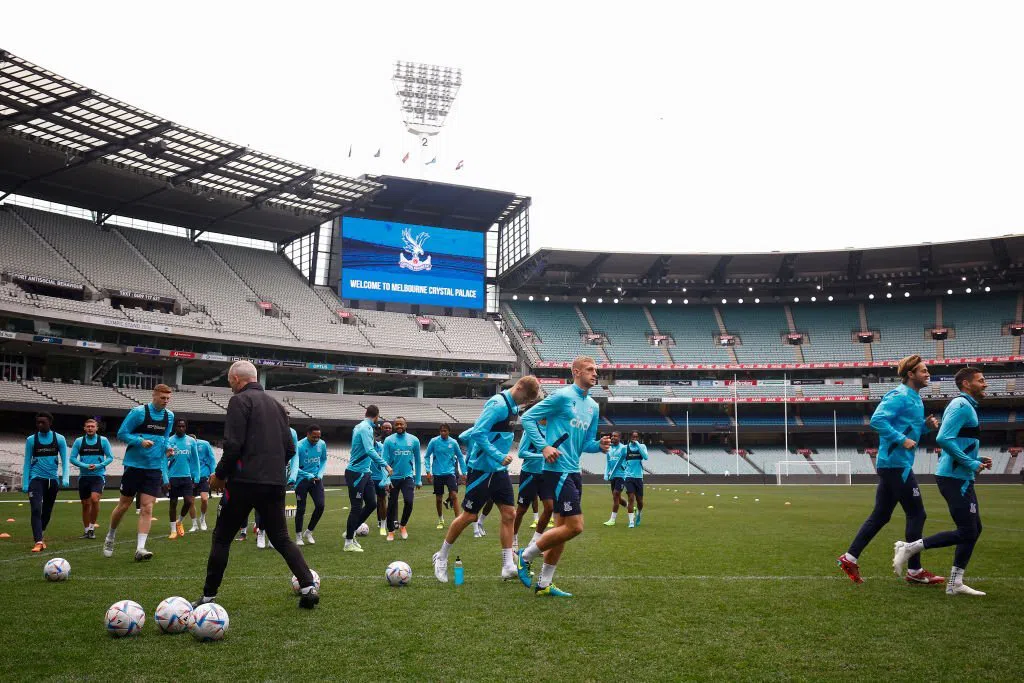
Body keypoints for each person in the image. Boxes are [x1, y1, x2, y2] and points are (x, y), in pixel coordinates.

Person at [193, 361, 318, 609]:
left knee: (221, 538)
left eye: (230, 382)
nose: (230, 387)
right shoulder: (278, 407)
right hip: (274, 483)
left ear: (238, 379)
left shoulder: (239, 401)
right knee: (281, 537)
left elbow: (233, 445)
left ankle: (208, 597)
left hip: (243, 483)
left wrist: (219, 475)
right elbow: (291, 449)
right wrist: (271, 468)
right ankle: (308, 587)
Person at [837, 355, 944, 585]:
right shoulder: (899, 395)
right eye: (923, 371)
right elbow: (877, 420)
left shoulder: (915, 398)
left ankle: (849, 557)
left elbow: (910, 431)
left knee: (881, 515)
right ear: (910, 374)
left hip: (897, 464)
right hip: (896, 465)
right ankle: (915, 571)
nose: (928, 374)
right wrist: (901, 438)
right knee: (917, 513)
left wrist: (925, 428)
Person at [432, 376, 542, 582]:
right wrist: (499, 456)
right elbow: (479, 434)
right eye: (525, 398)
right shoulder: (498, 404)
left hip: (498, 471)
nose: (524, 403)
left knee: (509, 513)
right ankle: (441, 556)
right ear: (518, 387)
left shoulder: (513, 408)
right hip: (483, 468)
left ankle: (508, 565)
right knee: (469, 516)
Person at [516, 356, 610, 597]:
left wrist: (598, 445)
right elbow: (527, 418)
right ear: (576, 371)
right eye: (590, 369)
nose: (595, 373)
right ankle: (524, 556)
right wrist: (544, 447)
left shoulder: (593, 407)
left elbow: (586, 443)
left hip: (574, 471)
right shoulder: (562, 396)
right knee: (575, 526)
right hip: (557, 472)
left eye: (596, 370)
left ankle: (544, 584)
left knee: (561, 530)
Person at [893, 367, 992, 596]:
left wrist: (974, 459)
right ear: (966, 384)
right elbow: (943, 438)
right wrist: (970, 462)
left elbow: (955, 441)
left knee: (974, 528)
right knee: (968, 530)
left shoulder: (967, 406)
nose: (985, 384)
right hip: (954, 477)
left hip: (961, 476)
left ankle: (955, 582)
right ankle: (909, 548)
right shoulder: (961, 405)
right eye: (981, 380)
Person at [104, 385, 175, 561]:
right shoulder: (138, 412)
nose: (165, 401)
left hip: (154, 468)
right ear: (154, 396)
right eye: (162, 398)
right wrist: (140, 441)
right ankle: (110, 536)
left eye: (168, 399)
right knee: (124, 505)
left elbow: (165, 438)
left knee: (147, 507)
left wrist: (168, 448)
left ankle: (140, 548)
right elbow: (122, 434)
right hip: (134, 465)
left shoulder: (169, 416)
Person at [343, 405, 392, 552]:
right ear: (377, 416)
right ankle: (348, 542)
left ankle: (351, 531)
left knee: (371, 504)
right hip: (356, 473)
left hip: (365, 472)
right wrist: (386, 465)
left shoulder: (363, 427)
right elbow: (369, 450)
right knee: (356, 507)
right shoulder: (364, 428)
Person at [22, 412, 69, 552]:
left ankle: (41, 534)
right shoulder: (31, 440)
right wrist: (25, 482)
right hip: (36, 479)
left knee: (47, 511)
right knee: (36, 509)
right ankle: (38, 541)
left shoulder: (59, 439)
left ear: (50, 423)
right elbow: (27, 462)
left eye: (43, 422)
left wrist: (65, 477)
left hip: (52, 481)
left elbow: (65, 460)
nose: (40, 425)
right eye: (38, 423)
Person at [69, 418, 113, 539]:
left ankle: (92, 528)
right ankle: (86, 530)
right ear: (84, 428)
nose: (90, 428)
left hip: (98, 476)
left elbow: (110, 457)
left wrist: (99, 466)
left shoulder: (103, 441)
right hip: (84, 477)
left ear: (97, 428)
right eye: (88, 426)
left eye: (92, 426)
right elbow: (72, 458)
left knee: (94, 499)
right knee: (85, 504)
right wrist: (85, 466)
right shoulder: (79, 441)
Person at [383, 417, 422, 541]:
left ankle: (403, 525)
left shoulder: (414, 440)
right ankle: (390, 531)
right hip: (393, 478)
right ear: (394, 426)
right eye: (397, 424)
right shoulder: (389, 440)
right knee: (392, 505)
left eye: (401, 424)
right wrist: (386, 480)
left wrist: (418, 479)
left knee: (409, 501)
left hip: (407, 477)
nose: (399, 426)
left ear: (406, 425)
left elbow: (417, 461)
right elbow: (384, 461)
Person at [290, 425, 327, 547]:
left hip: (316, 480)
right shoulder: (299, 446)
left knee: (320, 505)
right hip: (301, 480)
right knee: (301, 509)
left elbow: (323, 460)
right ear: (308, 434)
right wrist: (307, 475)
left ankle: (309, 532)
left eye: (318, 437)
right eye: (314, 437)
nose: (316, 439)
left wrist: (320, 474)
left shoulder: (322, 444)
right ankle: (298, 535)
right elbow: (293, 466)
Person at [424, 423, 466, 529]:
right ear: (439, 431)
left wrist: (464, 472)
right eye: (441, 431)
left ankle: (457, 521)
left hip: (450, 473)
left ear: (449, 432)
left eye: (445, 431)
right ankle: (440, 519)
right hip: (437, 474)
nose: (443, 433)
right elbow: (427, 456)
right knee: (439, 498)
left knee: (454, 495)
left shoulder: (453, 442)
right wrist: (428, 471)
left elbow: (460, 457)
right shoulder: (434, 441)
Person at [514, 431, 551, 551]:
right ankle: (513, 540)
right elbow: (521, 453)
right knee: (521, 510)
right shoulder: (531, 429)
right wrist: (543, 455)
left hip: (547, 473)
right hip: (529, 474)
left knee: (550, 508)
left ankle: (535, 543)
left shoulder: (553, 427)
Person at [165, 419, 200, 540]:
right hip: (172, 477)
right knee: (173, 503)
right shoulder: (169, 441)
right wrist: (165, 478)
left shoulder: (191, 441)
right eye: (179, 426)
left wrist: (197, 476)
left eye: (183, 426)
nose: (181, 428)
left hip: (186, 477)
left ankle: (179, 521)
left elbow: (196, 461)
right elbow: (164, 460)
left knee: (189, 501)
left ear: (186, 428)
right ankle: (173, 530)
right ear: (175, 427)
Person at [615, 431, 648, 528]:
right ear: (630, 437)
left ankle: (639, 513)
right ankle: (631, 521)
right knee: (630, 498)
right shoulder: (625, 448)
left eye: (636, 437)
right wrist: (623, 468)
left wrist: (638, 444)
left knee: (640, 501)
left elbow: (645, 457)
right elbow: (620, 461)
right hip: (629, 477)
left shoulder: (642, 446)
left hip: (639, 477)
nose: (635, 438)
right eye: (633, 437)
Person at [188, 433, 217, 532]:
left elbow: (212, 458)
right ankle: (194, 524)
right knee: (190, 501)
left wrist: (213, 472)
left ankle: (203, 519)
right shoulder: (185, 445)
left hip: (203, 475)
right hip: (190, 477)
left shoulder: (204, 444)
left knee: (204, 499)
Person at [372, 421, 393, 536]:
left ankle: (385, 523)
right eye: (385, 427)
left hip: (383, 476)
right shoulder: (369, 445)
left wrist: (387, 478)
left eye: (389, 427)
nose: (387, 429)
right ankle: (379, 521)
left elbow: (387, 461)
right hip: (369, 477)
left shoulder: (383, 446)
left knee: (384, 500)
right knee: (370, 502)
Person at [602, 431, 628, 526]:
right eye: (612, 436)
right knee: (617, 497)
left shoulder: (623, 448)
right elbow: (608, 463)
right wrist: (606, 474)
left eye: (615, 436)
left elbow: (625, 461)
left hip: (621, 475)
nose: (613, 437)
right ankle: (629, 507)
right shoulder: (609, 449)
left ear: (620, 438)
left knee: (616, 494)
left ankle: (612, 520)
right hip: (612, 476)